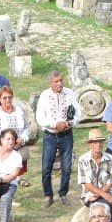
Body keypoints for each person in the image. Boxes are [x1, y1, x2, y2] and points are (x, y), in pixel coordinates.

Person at [34, 70, 79, 208]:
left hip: (66, 134)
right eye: (56, 81)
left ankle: (63, 194)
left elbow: (78, 113)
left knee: (67, 166)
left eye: (61, 80)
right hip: (50, 135)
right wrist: (55, 125)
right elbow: (40, 117)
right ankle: (48, 195)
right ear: (50, 83)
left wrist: (69, 123)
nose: (59, 84)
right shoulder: (45, 95)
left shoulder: (70, 94)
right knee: (46, 167)